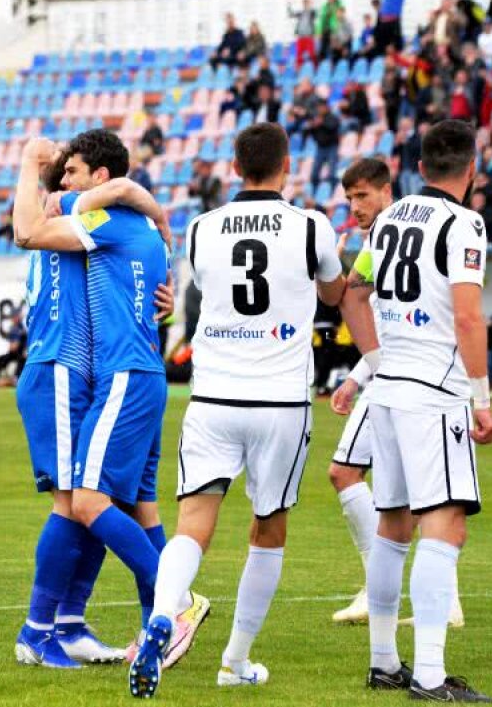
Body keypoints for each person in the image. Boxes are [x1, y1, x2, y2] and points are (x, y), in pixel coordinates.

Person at [129, 122, 346, 698]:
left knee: (192, 526)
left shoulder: (201, 229)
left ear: (234, 165)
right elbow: (332, 293)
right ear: (287, 166)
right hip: (279, 400)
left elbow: (208, 288)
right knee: (268, 527)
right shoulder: (312, 227)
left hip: (213, 397)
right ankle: (235, 660)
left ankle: (163, 616)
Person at [14, 129, 209, 679]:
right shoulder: (96, 215)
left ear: (97, 178)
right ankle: (56, 627)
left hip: (105, 374)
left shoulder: (96, 219)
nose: (63, 181)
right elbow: (36, 225)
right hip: (65, 366)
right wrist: (158, 217)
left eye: (71, 171)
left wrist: (138, 204)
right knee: (89, 501)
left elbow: (108, 198)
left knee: (91, 502)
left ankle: (79, 623)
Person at [337, 119, 492, 702]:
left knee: (392, 526)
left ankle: (384, 662)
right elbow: (468, 317)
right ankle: (429, 674)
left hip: (390, 387)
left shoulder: (390, 220)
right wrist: (481, 400)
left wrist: (376, 361)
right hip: (436, 389)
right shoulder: (464, 224)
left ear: (422, 167)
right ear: (471, 168)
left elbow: (353, 294)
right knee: (445, 527)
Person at [328, 159, 468, 627]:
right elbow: (380, 313)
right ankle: (432, 598)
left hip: (408, 379)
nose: (356, 206)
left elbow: (359, 299)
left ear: (387, 191)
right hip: (394, 376)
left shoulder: (392, 231)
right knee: (374, 482)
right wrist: (358, 374)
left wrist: (369, 371)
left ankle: (389, 589)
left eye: (363, 196)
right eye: (349, 199)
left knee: (359, 477)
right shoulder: (387, 236)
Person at [308, 100, 341, 187]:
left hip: (332, 147)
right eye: (319, 107)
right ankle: (315, 191)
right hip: (320, 147)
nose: (320, 109)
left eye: (322, 107)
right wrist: (312, 127)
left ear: (326, 107)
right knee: (314, 174)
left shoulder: (333, 117)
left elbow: (332, 126)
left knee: (332, 174)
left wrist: (321, 123)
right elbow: (312, 133)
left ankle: (332, 192)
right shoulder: (316, 118)